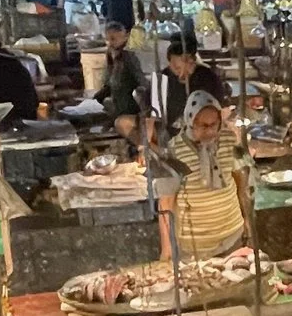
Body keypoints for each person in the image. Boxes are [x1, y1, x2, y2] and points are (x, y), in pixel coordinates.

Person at [158, 90, 248, 255]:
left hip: (233, 237)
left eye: (214, 124)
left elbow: (240, 181)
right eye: (204, 126)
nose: (210, 131)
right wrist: (167, 248)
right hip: (194, 247)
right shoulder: (174, 151)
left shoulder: (229, 140)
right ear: (190, 122)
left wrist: (248, 221)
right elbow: (166, 204)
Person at [150, 33, 230, 139]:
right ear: (169, 63)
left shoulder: (208, 77)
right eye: (176, 68)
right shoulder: (161, 80)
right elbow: (154, 118)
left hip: (204, 132)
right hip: (170, 136)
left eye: (187, 67)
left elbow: (221, 111)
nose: (182, 74)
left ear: (193, 62)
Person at [96, 19, 152, 143]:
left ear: (125, 37)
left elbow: (142, 83)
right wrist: (95, 99)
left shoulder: (129, 57)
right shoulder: (111, 56)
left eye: (114, 39)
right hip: (117, 109)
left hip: (132, 110)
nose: (110, 43)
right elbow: (109, 85)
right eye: (108, 39)